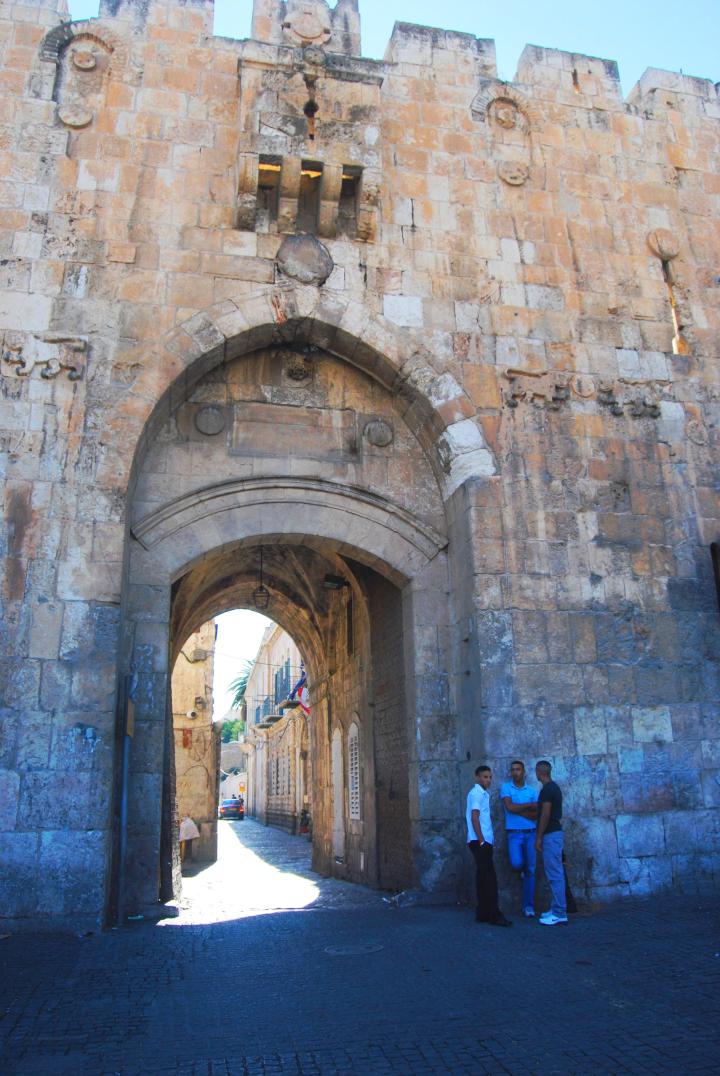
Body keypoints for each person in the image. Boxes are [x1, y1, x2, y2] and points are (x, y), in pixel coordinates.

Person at [466, 765, 512, 927]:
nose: (489, 780)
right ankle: (494, 914)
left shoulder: (480, 794)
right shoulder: (477, 794)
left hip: (480, 841)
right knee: (490, 879)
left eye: (490, 777)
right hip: (480, 842)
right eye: (485, 777)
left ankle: (483, 912)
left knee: (482, 877)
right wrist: (481, 840)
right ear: (477, 777)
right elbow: (474, 817)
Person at [500, 760, 538, 917]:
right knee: (516, 863)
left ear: (524, 772)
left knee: (531, 870)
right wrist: (527, 806)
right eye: (513, 770)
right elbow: (509, 807)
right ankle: (522, 870)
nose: (515, 772)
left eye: (518, 769)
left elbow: (536, 812)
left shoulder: (532, 790)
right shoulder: (506, 788)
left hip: (531, 832)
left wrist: (517, 808)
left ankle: (528, 906)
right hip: (514, 833)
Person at [534, 761, 567, 925]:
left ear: (538, 772)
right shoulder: (552, 788)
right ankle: (556, 909)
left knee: (555, 874)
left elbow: (545, 814)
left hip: (551, 834)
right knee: (554, 873)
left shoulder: (548, 790)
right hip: (553, 834)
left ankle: (560, 912)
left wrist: (539, 837)